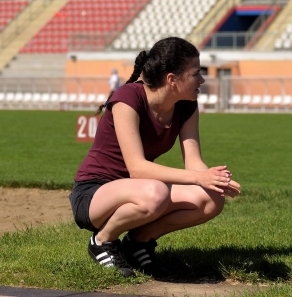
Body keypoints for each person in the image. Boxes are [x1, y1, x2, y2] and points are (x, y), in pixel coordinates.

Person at [69, 37, 241, 277]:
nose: (202, 80)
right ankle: (102, 241)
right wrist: (198, 177)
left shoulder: (186, 105)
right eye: (196, 74)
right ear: (172, 79)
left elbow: (194, 163)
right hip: (94, 192)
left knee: (212, 198)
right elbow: (137, 168)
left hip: (139, 189)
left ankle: (139, 241)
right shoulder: (127, 98)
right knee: (155, 192)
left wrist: (214, 180)